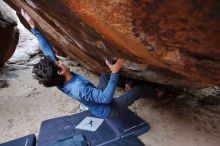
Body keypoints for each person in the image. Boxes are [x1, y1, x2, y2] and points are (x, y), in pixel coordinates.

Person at [21, 9, 159, 118]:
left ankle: (127, 84)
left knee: (105, 74)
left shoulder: (58, 80)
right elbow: (105, 99)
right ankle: (157, 94)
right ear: (60, 71)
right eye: (58, 63)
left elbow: (48, 52)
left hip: (97, 97)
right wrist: (115, 71)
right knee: (139, 90)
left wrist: (33, 27)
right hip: (110, 109)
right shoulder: (78, 88)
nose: (60, 61)